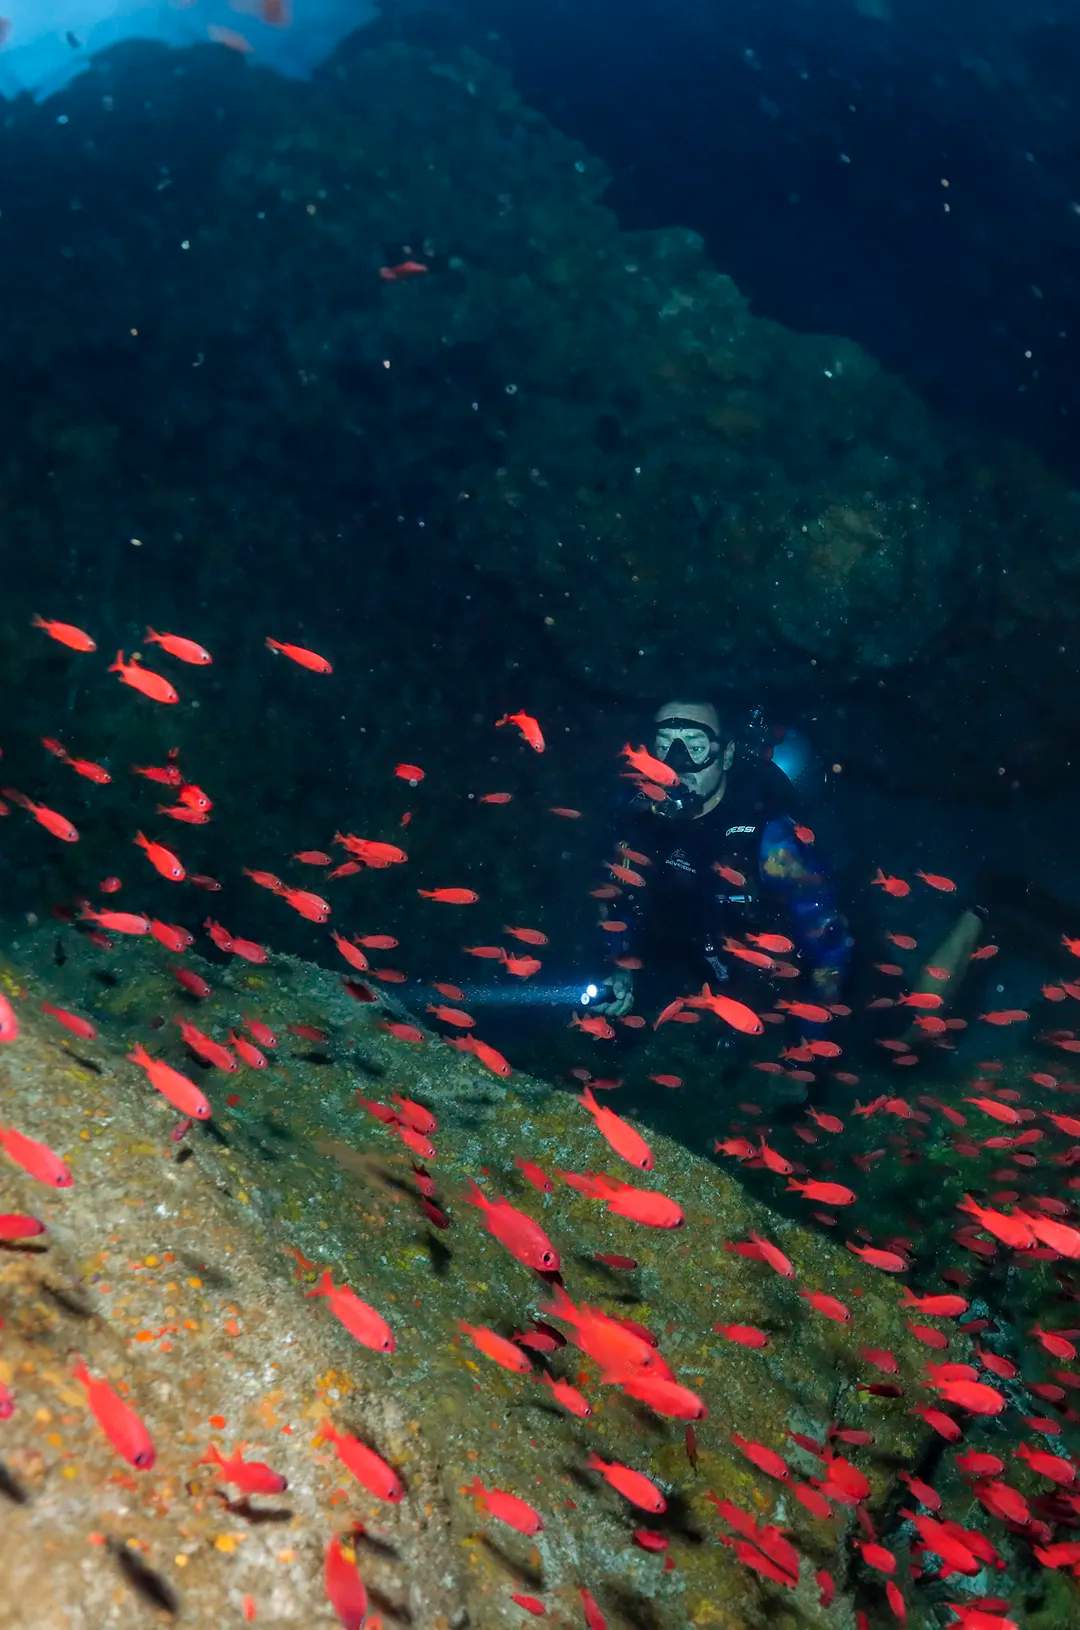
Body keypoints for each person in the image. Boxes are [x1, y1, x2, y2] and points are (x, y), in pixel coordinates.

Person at [589, 700, 852, 1019]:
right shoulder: (637, 816)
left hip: (763, 989)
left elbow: (827, 940)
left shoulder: (772, 839)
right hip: (679, 970)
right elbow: (618, 901)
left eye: (696, 747)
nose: (677, 764)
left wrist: (812, 1032)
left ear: (726, 756)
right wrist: (619, 966)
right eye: (663, 747)